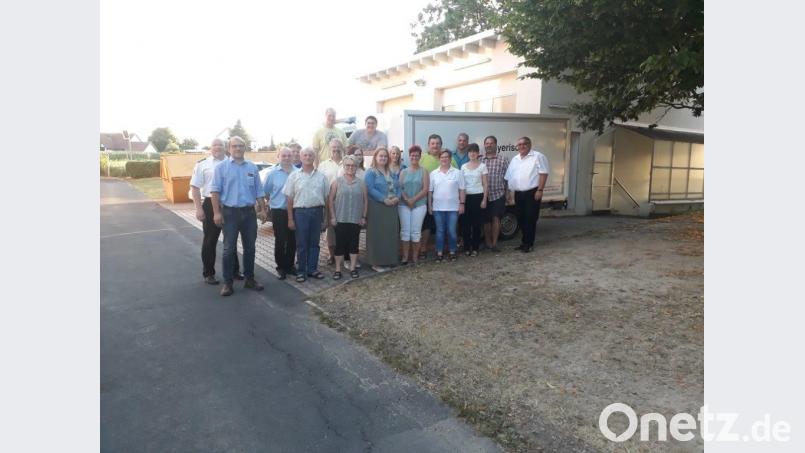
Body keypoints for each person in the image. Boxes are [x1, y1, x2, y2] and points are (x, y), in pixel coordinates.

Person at [210, 136, 268, 296]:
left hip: (249, 213)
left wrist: (263, 209)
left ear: (245, 148)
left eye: (241, 146)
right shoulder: (221, 168)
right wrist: (216, 213)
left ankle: (249, 279)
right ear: (229, 149)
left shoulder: (252, 167)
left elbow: (259, 190)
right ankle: (228, 283)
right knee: (229, 249)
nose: (237, 148)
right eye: (234, 146)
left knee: (250, 248)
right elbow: (214, 191)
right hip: (230, 213)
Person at [190, 138, 243, 284]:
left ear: (226, 147)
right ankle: (208, 273)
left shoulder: (234, 163)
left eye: (220, 145)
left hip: (229, 204)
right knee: (210, 240)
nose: (217, 147)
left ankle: (234, 271)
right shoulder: (202, 164)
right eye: (214, 145)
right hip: (209, 205)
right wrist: (199, 209)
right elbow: (195, 188)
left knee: (231, 240)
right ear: (210, 148)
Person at [284, 147, 330, 282]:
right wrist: (290, 219)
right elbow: (289, 199)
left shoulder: (322, 177)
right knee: (302, 243)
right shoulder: (294, 176)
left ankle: (312, 269)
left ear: (314, 157)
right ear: (300, 157)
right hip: (301, 213)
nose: (308, 157)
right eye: (305, 155)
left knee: (314, 243)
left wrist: (326, 218)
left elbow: (327, 199)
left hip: (317, 212)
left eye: (310, 155)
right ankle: (301, 271)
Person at [504, 136, 550, 253]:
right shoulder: (515, 159)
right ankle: (523, 242)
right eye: (519, 144)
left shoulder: (538, 156)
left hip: (532, 193)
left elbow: (543, 173)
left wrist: (540, 190)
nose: (522, 146)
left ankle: (529, 244)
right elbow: (509, 177)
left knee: (530, 218)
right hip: (518, 193)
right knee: (520, 218)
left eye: (524, 144)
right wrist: (509, 192)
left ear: (530, 145)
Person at [328, 156, 368, 279]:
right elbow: (330, 200)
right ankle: (338, 270)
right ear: (344, 167)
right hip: (340, 219)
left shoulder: (361, 183)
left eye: (353, 165)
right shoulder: (337, 182)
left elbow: (365, 201)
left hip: (356, 219)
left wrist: (363, 217)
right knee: (340, 245)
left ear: (356, 167)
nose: (350, 167)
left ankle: (353, 268)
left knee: (354, 245)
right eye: (348, 165)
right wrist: (333, 217)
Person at [364, 147, 401, 272]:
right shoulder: (371, 172)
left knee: (389, 235)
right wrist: (383, 199)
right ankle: (376, 262)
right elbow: (369, 188)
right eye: (381, 156)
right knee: (377, 235)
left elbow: (398, 187)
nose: (383, 158)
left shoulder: (391, 172)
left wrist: (397, 197)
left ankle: (389, 260)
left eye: (385, 156)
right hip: (377, 207)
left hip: (391, 207)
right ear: (375, 157)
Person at [263, 147, 297, 280]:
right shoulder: (272, 174)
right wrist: (271, 203)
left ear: (293, 157)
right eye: (284, 156)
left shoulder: (298, 172)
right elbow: (266, 192)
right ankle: (281, 267)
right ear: (278, 157)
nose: (287, 158)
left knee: (293, 240)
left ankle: (290, 265)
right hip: (278, 211)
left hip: (295, 211)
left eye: (289, 155)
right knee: (280, 239)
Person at [428, 150, 465, 262]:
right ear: (439, 159)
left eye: (446, 157)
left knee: (452, 231)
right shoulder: (433, 173)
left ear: (450, 159)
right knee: (440, 231)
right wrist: (430, 205)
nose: (444, 159)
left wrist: (462, 204)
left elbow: (462, 189)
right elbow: (430, 191)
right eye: (442, 157)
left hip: (453, 208)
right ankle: (439, 252)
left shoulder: (458, 173)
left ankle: (452, 251)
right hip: (438, 208)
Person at [398, 145, 429, 265]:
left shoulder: (423, 171)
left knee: (416, 232)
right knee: (405, 231)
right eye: (412, 155)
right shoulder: (403, 171)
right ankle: (405, 257)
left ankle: (415, 256)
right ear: (409, 156)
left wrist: (413, 200)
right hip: (404, 205)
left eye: (417, 155)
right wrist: (407, 200)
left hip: (419, 205)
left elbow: (425, 189)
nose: (414, 157)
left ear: (420, 157)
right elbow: (400, 188)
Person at [318, 139, 345, 265]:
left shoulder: (347, 162)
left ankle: (342, 252)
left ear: (342, 148)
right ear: (329, 149)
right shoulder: (323, 165)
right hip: (329, 199)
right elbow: (319, 183)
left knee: (343, 226)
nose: (336, 149)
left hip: (344, 200)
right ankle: (331, 254)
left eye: (338, 146)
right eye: (333, 147)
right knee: (330, 228)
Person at [481, 135, 509, 253]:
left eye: (491, 143)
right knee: (486, 220)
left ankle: (495, 243)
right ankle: (487, 242)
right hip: (484, 195)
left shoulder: (503, 160)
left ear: (496, 144)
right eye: (487, 143)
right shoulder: (480, 160)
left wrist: (508, 194)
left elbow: (508, 178)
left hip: (498, 194)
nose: (489, 145)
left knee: (496, 218)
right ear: (484, 145)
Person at [460, 143, 488, 256]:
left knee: (477, 224)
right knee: (465, 225)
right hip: (466, 198)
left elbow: (485, 184)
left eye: (474, 152)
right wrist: (461, 200)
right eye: (470, 152)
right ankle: (467, 247)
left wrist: (484, 199)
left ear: (478, 153)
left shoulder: (482, 166)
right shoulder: (463, 167)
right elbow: (461, 185)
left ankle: (475, 248)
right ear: (468, 153)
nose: (472, 154)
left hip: (478, 197)